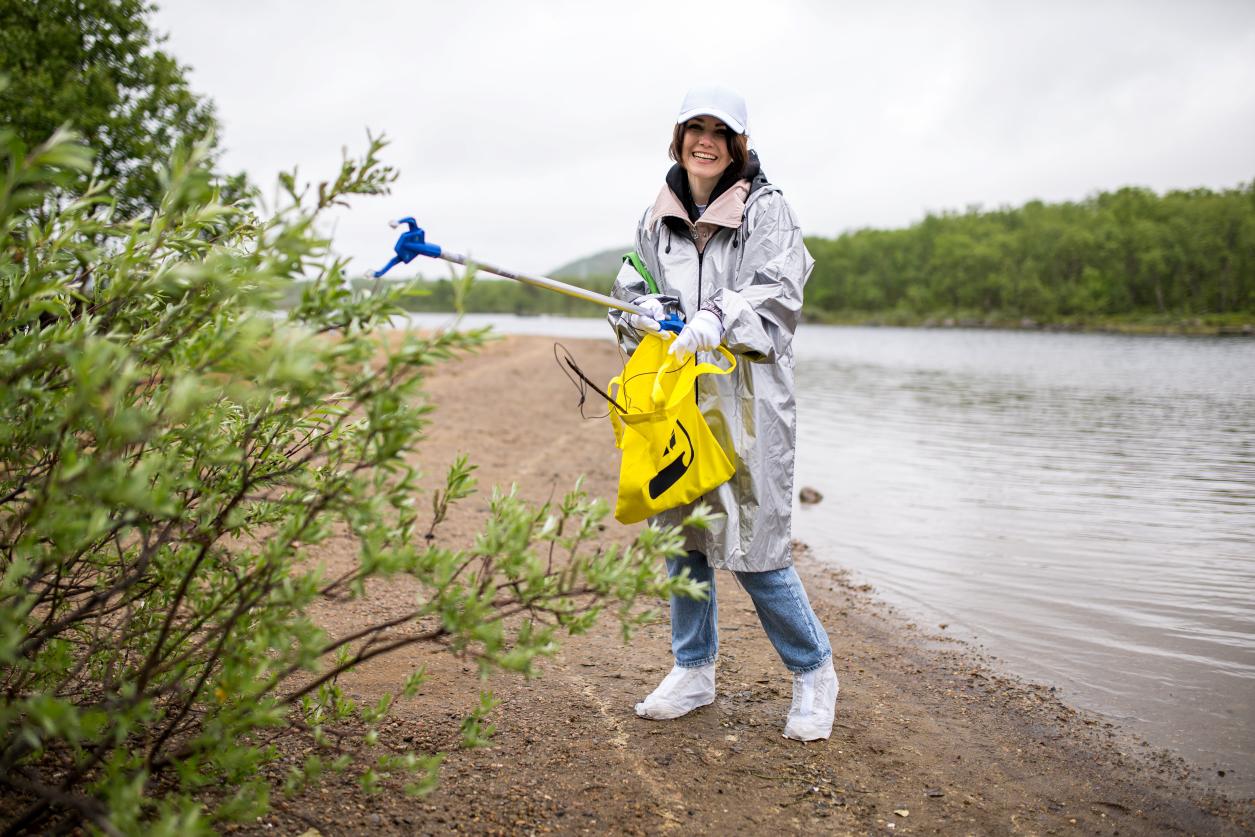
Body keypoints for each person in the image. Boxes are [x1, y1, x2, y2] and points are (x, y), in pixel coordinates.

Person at [607, 85, 837, 741]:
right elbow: (629, 288)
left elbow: (779, 292)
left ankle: (814, 672)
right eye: (693, 129)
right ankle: (692, 669)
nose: (704, 141)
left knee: (759, 549)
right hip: (680, 402)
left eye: (718, 131)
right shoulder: (655, 218)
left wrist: (718, 316)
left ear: (737, 144)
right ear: (678, 137)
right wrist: (642, 311)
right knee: (684, 539)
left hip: (752, 404)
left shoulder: (769, 210)